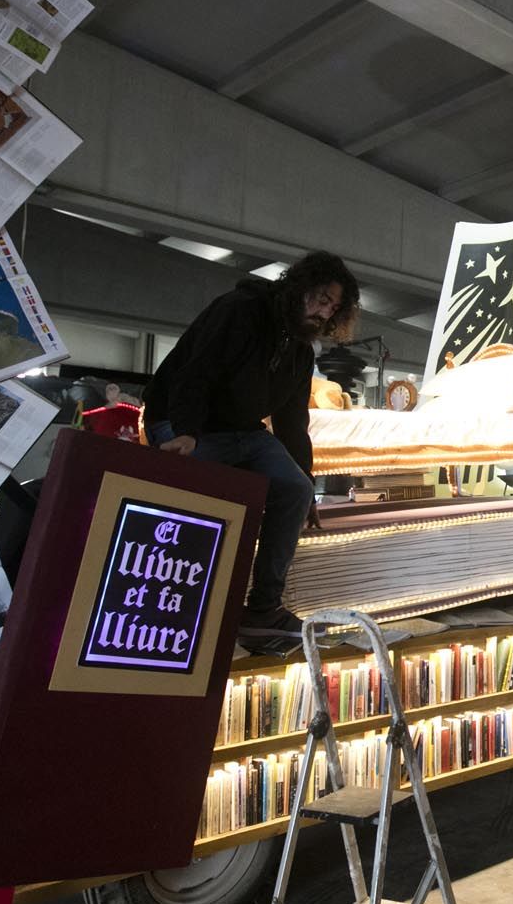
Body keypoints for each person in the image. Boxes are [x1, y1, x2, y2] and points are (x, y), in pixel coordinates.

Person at [143, 252, 359, 640]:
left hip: (243, 430)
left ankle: (263, 607)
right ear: (301, 286)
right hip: (184, 421)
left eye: (333, 308)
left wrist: (307, 486)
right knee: (206, 497)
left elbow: (293, 423)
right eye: (322, 299)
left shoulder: (299, 350)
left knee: (294, 490)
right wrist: (186, 432)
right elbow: (196, 371)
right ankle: (179, 606)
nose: (324, 314)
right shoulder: (239, 310)